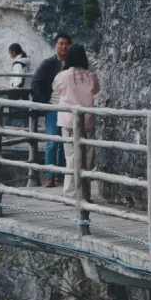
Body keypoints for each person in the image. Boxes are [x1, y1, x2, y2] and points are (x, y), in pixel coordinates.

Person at [52, 44, 100, 199]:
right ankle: (85, 193)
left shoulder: (62, 75)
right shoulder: (91, 75)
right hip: (87, 120)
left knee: (71, 156)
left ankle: (71, 192)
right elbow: (96, 90)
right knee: (87, 157)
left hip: (68, 120)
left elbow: (56, 89)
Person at [30, 33, 72, 182]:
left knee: (63, 142)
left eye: (67, 44)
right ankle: (49, 176)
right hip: (53, 107)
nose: (64, 46)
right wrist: (44, 101)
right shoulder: (48, 63)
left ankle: (60, 173)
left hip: (67, 108)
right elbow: (35, 82)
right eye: (61, 43)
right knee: (52, 142)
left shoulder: (71, 65)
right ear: (56, 45)